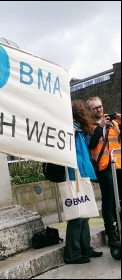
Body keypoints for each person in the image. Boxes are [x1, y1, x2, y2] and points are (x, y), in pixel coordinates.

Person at [63, 100, 103, 264]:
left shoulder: (80, 129)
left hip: (81, 172)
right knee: (77, 215)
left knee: (84, 213)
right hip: (74, 173)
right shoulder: (70, 129)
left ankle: (85, 249)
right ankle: (73, 253)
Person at [86, 96, 121, 247]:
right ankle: (111, 233)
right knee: (109, 201)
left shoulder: (113, 123)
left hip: (118, 166)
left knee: (119, 200)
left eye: (100, 106)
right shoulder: (89, 126)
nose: (99, 109)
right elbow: (91, 143)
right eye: (95, 108)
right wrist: (100, 126)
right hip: (103, 168)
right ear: (90, 111)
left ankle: (119, 228)